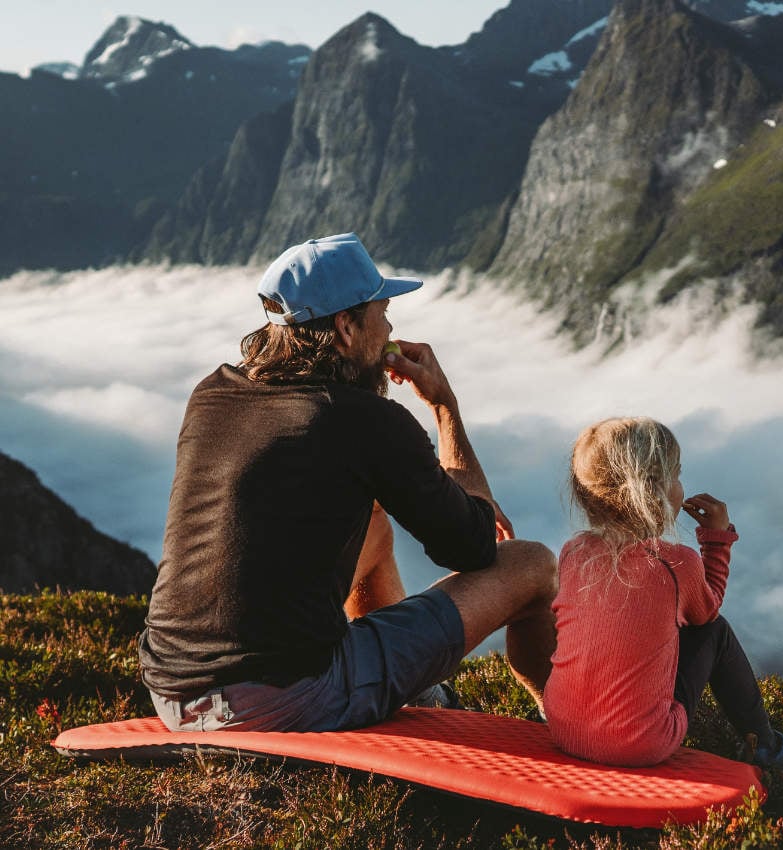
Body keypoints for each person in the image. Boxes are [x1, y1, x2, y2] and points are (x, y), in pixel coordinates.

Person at [138, 232, 556, 733]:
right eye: (382, 313)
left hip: (172, 689)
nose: (391, 328)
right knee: (531, 565)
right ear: (346, 327)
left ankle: (421, 694)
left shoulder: (211, 395)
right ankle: (571, 730)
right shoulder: (365, 421)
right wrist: (445, 406)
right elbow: (474, 547)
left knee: (374, 528)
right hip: (287, 700)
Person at [543, 417, 783, 772]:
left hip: (563, 730)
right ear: (653, 492)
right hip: (642, 745)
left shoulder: (574, 551)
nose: (681, 486)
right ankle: (769, 751)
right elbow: (706, 612)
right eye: (676, 475)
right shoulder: (676, 563)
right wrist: (717, 541)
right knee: (715, 632)